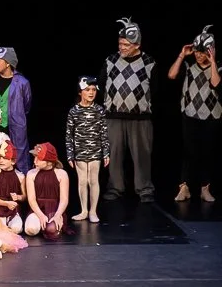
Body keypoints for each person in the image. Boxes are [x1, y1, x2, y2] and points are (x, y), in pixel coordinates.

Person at [99, 18, 159, 202]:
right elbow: (102, 83)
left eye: (126, 44)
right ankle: (115, 187)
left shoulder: (149, 62)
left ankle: (144, 189)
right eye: (120, 43)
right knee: (114, 154)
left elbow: (155, 90)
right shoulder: (110, 60)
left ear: (137, 44)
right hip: (114, 116)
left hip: (139, 119)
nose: (122, 47)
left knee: (142, 155)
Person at [168, 25, 220, 203]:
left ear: (209, 51)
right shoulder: (189, 66)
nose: (198, 55)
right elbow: (172, 75)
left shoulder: (218, 67)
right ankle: (184, 187)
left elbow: (215, 84)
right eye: (196, 51)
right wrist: (182, 55)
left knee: (206, 153)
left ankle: (205, 188)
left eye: (202, 51)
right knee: (188, 152)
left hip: (211, 117)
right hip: (189, 115)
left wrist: (213, 61)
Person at [66, 76, 110, 222]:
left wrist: (106, 152)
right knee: (82, 180)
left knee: (93, 180)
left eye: (93, 90)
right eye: (87, 90)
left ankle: (93, 211)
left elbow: (104, 132)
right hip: (79, 150)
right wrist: (70, 154)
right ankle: (84, 210)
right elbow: (69, 134)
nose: (91, 93)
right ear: (80, 92)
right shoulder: (74, 111)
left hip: (95, 150)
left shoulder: (99, 110)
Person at [0, 45, 32, 175]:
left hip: (15, 126)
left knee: (19, 156)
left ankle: (22, 191)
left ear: (8, 62)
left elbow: (27, 105)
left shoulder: (22, 83)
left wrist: (17, 115)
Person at [24, 142, 71, 239]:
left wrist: (58, 215)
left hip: (54, 208)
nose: (35, 161)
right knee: (30, 230)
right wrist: (40, 215)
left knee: (51, 230)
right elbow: (31, 199)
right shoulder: (31, 174)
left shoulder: (61, 174)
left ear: (49, 161)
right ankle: (39, 224)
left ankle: (50, 225)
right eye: (35, 157)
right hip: (38, 208)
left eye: (39, 158)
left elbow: (64, 199)